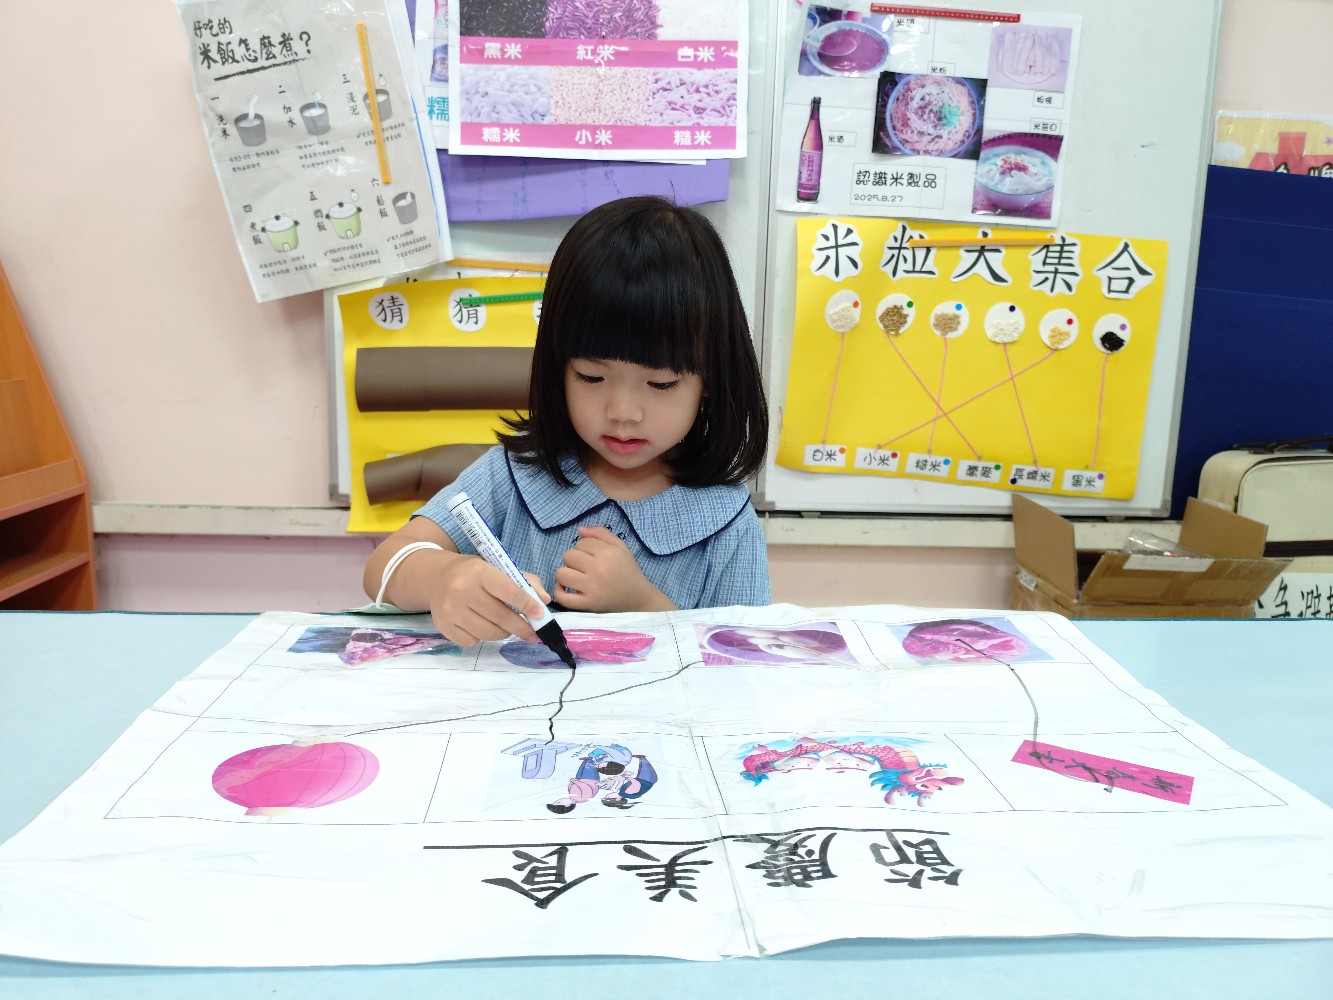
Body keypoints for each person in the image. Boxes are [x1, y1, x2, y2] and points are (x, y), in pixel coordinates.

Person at [362, 195, 770, 647]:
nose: (623, 412)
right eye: (592, 377)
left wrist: (644, 605)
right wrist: (444, 575)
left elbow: (743, 662)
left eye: (661, 384)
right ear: (558, 366)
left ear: (709, 379)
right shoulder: (515, 476)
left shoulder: (726, 522)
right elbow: (383, 568)